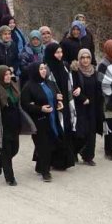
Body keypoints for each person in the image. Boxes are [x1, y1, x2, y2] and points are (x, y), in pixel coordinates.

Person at [0, 65, 34, 187]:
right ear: (0, 76)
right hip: (2, 126)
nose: (8, 76)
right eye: (5, 75)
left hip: (15, 124)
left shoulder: (14, 86)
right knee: (6, 152)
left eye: (9, 74)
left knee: (15, 149)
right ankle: (10, 178)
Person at [20, 63, 64, 182]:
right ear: (35, 71)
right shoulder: (29, 86)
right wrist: (40, 109)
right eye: (41, 69)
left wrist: (58, 103)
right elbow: (25, 104)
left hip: (52, 119)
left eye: (45, 68)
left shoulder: (49, 83)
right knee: (44, 146)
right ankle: (46, 172)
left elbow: (54, 97)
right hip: (38, 121)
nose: (44, 71)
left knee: (51, 143)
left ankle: (40, 167)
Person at [43, 42, 76, 170]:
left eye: (61, 52)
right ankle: (51, 160)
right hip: (52, 104)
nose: (59, 55)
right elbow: (43, 86)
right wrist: (55, 96)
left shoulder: (64, 66)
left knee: (65, 129)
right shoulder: (46, 69)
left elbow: (69, 83)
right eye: (57, 52)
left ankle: (64, 161)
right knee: (54, 130)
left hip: (65, 103)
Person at [71, 48, 103, 165]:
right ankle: (74, 152)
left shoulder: (94, 71)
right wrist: (83, 98)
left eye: (88, 57)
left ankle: (88, 156)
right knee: (80, 132)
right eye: (82, 58)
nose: (85, 60)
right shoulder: (75, 71)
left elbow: (98, 87)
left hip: (93, 106)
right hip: (80, 106)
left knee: (91, 132)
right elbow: (73, 88)